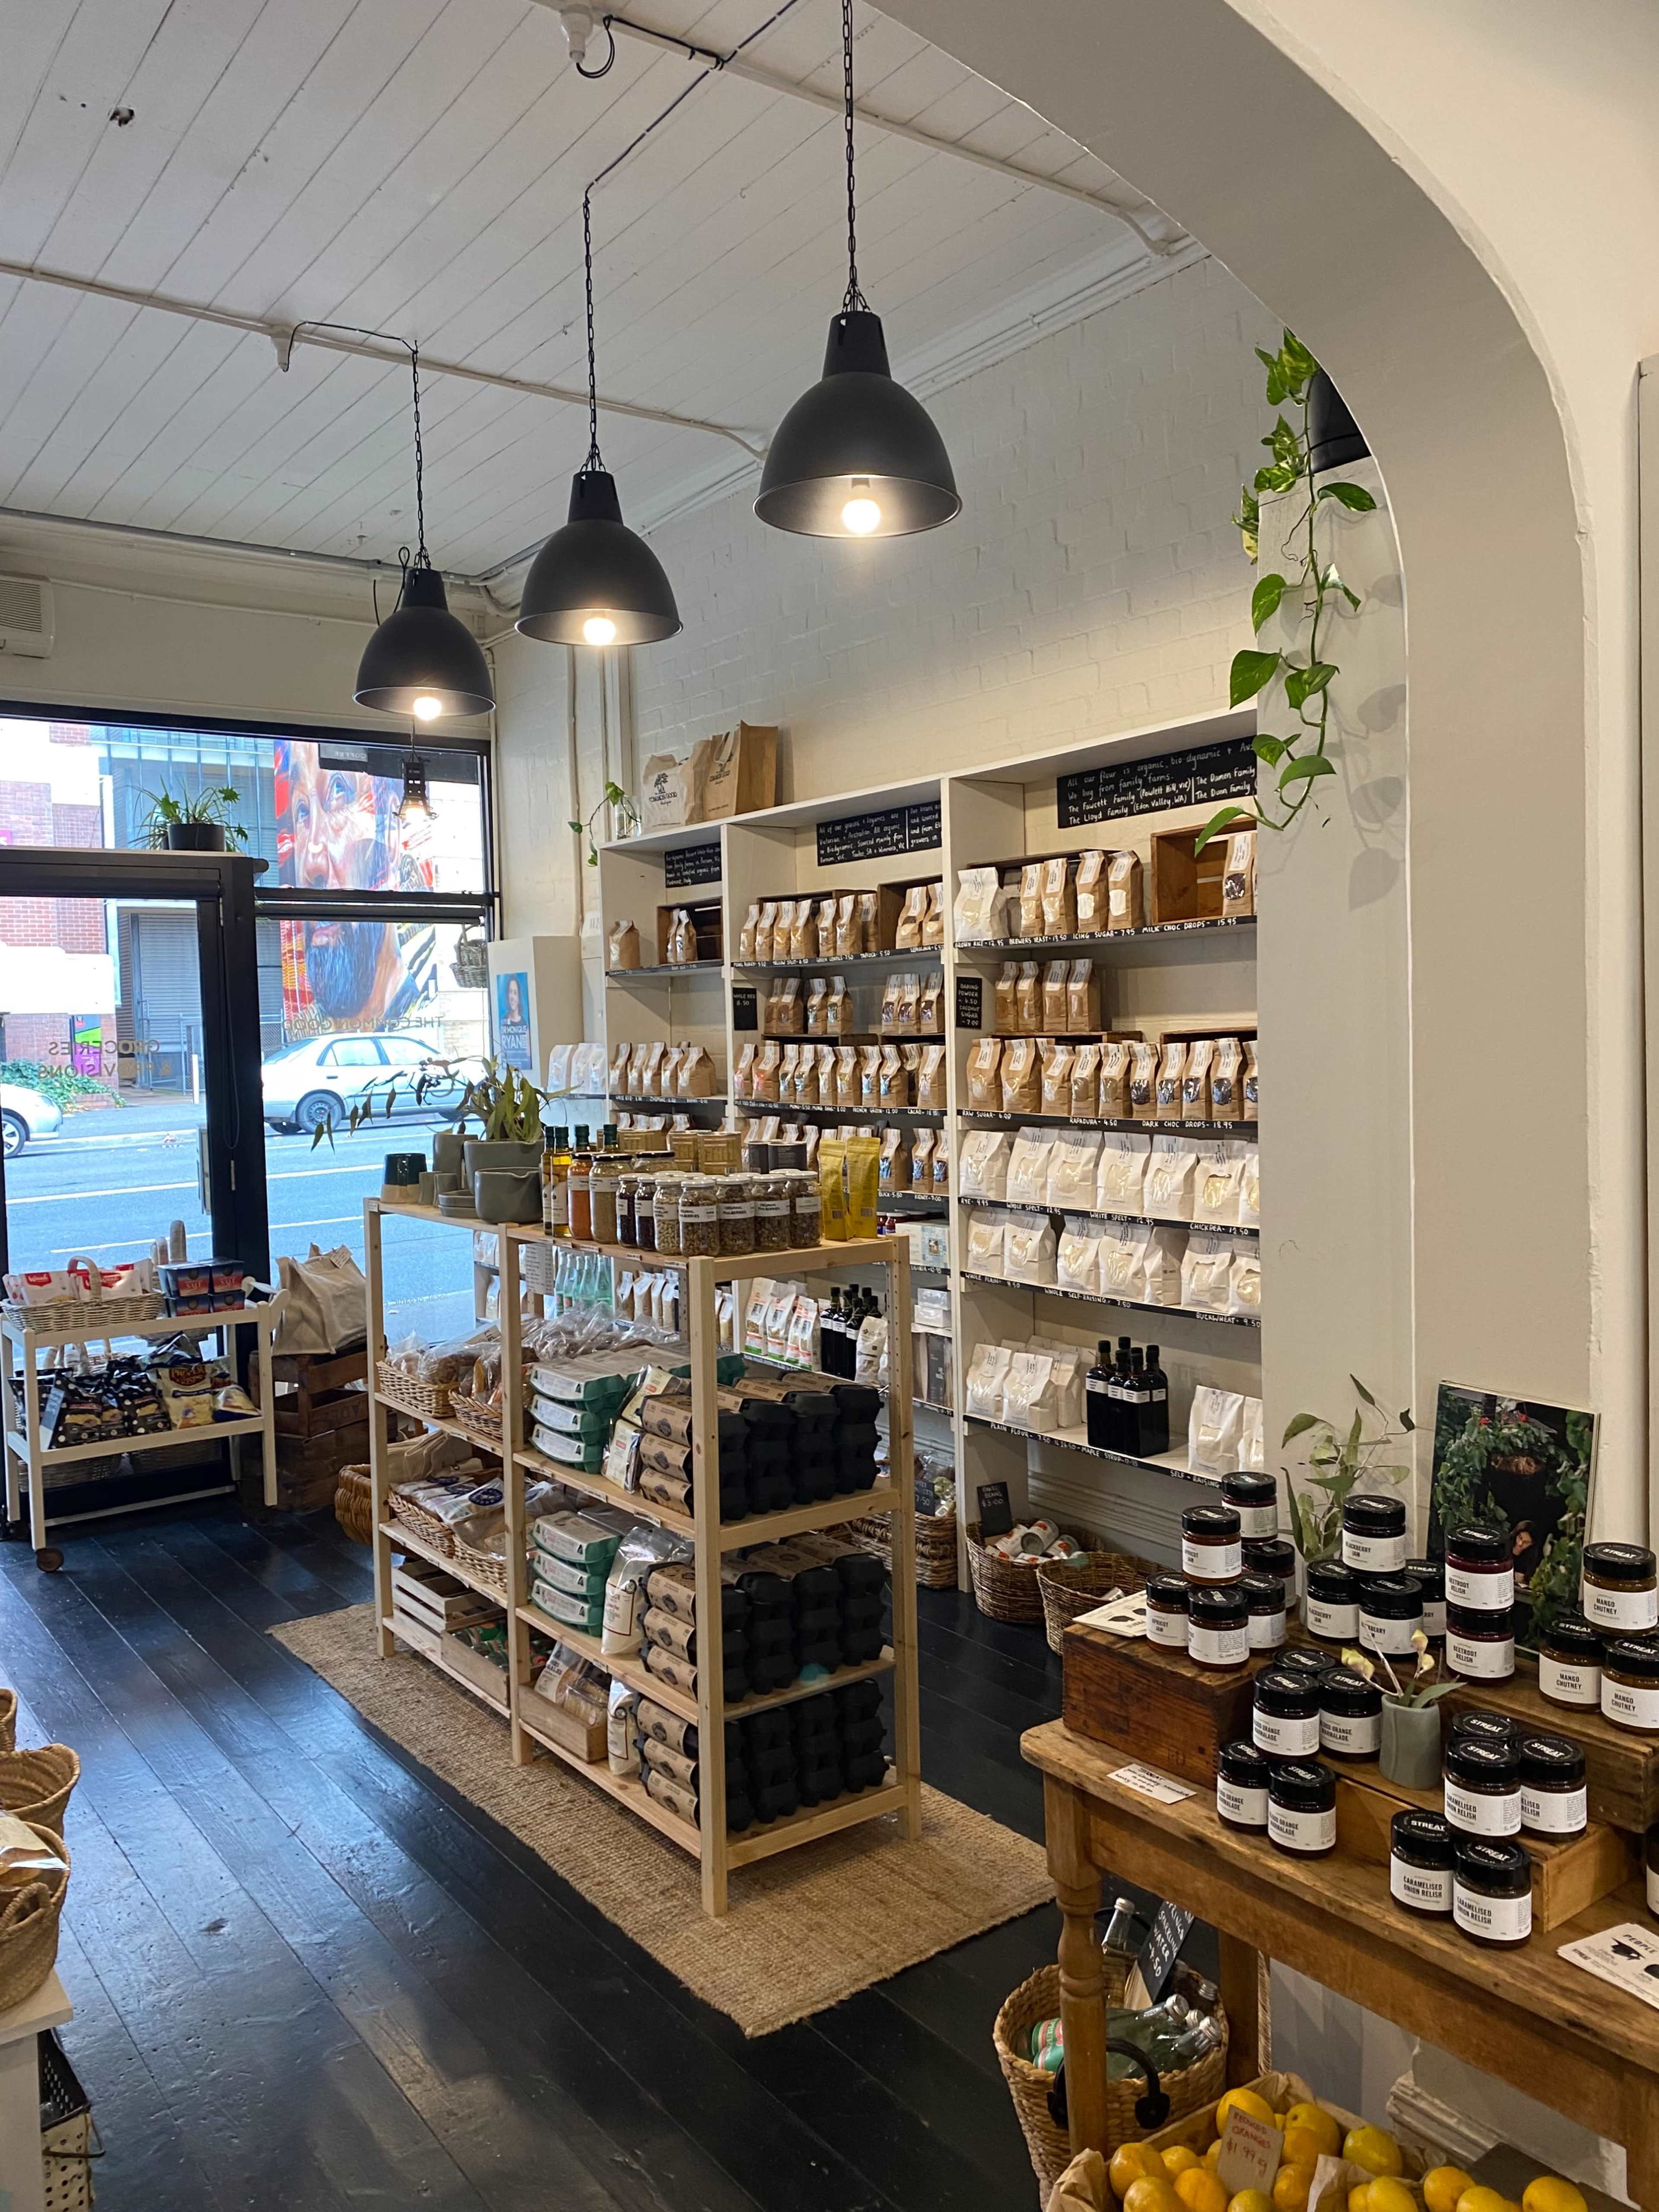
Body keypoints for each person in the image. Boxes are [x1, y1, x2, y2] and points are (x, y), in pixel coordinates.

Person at [276, 740, 432, 1027]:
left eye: (338, 793)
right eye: (302, 810)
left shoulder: (423, 1013)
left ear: (392, 835)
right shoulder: (306, 1038)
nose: (313, 865)